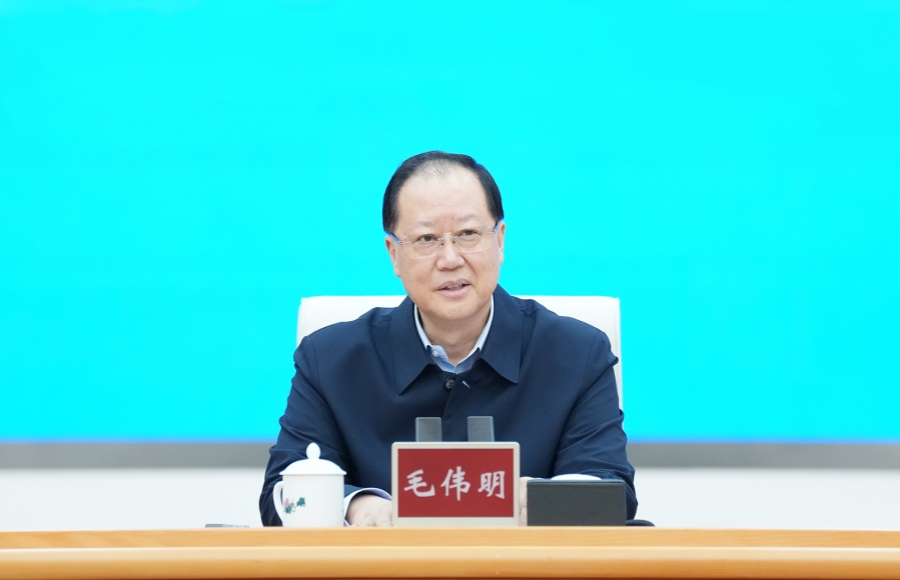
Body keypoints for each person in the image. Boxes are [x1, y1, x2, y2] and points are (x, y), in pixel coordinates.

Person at [260, 151, 636, 526]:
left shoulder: (578, 354)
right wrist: (358, 507)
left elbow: (610, 492)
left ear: (500, 240)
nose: (450, 259)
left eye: (468, 234)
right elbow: (280, 497)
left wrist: (545, 501)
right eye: (426, 239)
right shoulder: (329, 360)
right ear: (394, 254)